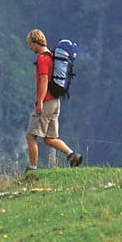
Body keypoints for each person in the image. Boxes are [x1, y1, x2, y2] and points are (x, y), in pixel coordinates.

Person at [25, 28, 82, 170]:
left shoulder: (43, 59)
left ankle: (32, 169)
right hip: (56, 102)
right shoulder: (51, 55)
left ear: (35, 41)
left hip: (47, 102)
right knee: (49, 138)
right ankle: (72, 155)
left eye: (30, 44)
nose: (30, 47)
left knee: (31, 136)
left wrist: (40, 103)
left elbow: (44, 81)